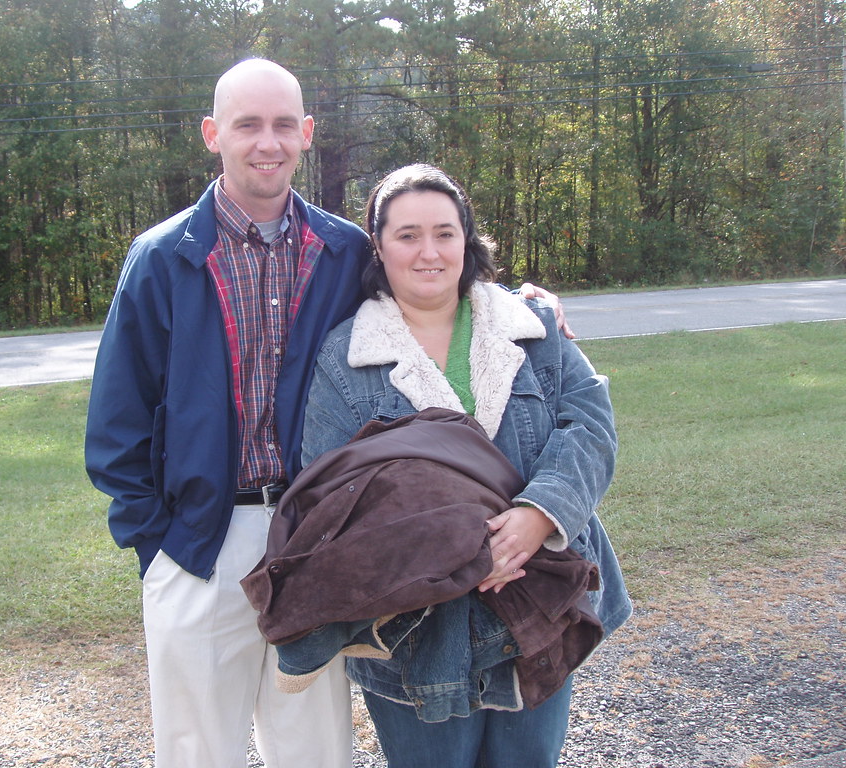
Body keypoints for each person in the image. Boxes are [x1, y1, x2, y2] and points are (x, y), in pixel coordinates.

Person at [85, 57, 568, 768]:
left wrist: (528, 304)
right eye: (247, 125)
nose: (267, 142)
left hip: (319, 538)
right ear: (212, 133)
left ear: (307, 133)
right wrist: (157, 548)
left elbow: (432, 288)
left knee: (313, 751)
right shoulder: (162, 258)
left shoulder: (343, 249)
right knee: (196, 754)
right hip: (197, 545)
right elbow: (116, 422)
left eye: (284, 124)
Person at [296, 163, 632, 768]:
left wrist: (539, 514)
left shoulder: (531, 327)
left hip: (536, 611)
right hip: (418, 635)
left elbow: (590, 426)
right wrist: (456, 548)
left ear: (467, 239)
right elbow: (328, 493)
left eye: (445, 233)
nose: (429, 252)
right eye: (408, 235)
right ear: (378, 245)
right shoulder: (346, 356)